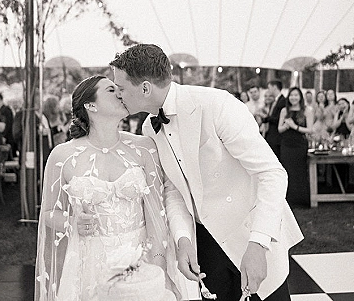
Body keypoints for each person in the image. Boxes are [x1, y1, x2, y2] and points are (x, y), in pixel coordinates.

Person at [111, 44, 303, 301]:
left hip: (251, 232)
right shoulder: (149, 127)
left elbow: (272, 173)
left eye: (121, 88)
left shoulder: (216, 104)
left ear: (145, 88)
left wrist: (258, 244)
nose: (118, 95)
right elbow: (174, 189)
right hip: (206, 244)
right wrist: (183, 239)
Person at [35, 76, 181, 300]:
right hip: (88, 265)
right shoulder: (62, 156)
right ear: (90, 105)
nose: (120, 93)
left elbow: (157, 219)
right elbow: (47, 213)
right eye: (111, 90)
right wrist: (72, 222)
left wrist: (158, 270)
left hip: (139, 261)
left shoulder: (144, 148)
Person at [278, 87, 314, 207]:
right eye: (291, 95)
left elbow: (310, 130)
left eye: (296, 95)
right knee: (287, 171)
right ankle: (288, 200)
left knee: (299, 171)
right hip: (286, 144)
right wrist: (286, 126)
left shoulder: (307, 111)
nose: (293, 97)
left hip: (300, 144)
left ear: (300, 97)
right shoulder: (284, 110)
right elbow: (279, 129)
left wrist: (294, 126)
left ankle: (301, 200)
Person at [263, 80, 287, 158]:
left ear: (274, 87)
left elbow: (278, 119)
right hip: (271, 135)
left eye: (269, 88)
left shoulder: (282, 101)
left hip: (276, 136)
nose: (268, 90)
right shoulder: (275, 101)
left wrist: (266, 118)